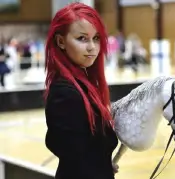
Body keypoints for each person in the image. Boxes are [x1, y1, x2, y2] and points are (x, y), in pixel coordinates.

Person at [44, 2, 119, 179]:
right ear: (61, 41)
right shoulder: (65, 93)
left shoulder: (84, 86)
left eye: (96, 38)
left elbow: (84, 153)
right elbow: (73, 156)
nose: (92, 47)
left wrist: (102, 164)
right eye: (82, 38)